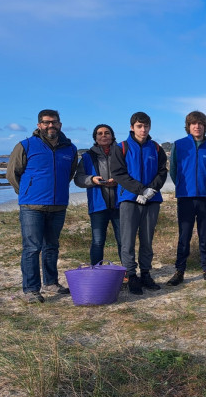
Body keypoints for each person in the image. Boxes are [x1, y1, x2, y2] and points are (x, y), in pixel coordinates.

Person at [7, 109, 78, 303]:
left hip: (58, 206)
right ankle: (31, 289)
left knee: (52, 246)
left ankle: (50, 283)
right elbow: (13, 174)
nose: (50, 125)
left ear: (60, 124)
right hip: (32, 207)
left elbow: (69, 173)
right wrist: (26, 193)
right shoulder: (26, 145)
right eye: (46, 122)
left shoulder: (70, 149)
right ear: (39, 125)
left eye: (54, 122)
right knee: (32, 248)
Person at [110, 112, 168, 294]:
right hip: (129, 199)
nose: (143, 130)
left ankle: (145, 273)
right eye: (139, 126)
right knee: (127, 241)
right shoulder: (121, 147)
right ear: (132, 127)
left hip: (152, 200)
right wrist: (140, 190)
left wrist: (151, 191)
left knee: (147, 240)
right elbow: (119, 173)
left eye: (146, 126)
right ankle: (131, 275)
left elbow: (162, 172)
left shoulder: (156, 149)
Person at [166, 111, 206, 287]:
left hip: (205, 197)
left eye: (200, 124)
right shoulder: (179, 145)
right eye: (193, 124)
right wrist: (182, 185)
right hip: (185, 196)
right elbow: (173, 170)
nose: (197, 126)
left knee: (205, 235)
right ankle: (180, 270)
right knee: (184, 235)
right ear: (188, 126)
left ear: (205, 126)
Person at [74, 123, 122, 266]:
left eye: (107, 133)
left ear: (112, 136)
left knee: (123, 241)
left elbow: (130, 174)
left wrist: (118, 180)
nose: (103, 136)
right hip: (98, 205)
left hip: (120, 204)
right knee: (98, 241)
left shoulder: (122, 153)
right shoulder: (88, 157)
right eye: (99, 133)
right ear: (95, 137)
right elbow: (78, 178)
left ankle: (128, 272)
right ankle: (96, 271)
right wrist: (92, 179)